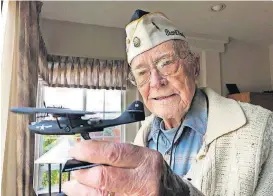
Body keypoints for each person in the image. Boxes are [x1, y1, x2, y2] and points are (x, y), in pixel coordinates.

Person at [62, 9, 273, 196]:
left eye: (167, 64)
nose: (156, 82)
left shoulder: (262, 128)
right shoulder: (143, 136)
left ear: (195, 66)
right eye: (142, 73)